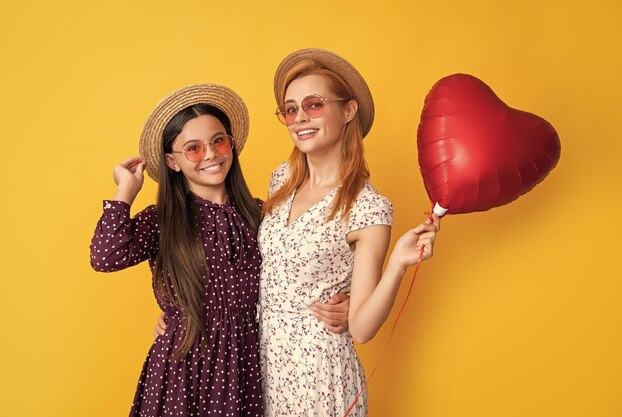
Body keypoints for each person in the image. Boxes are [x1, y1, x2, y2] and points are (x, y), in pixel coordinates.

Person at [256, 48, 440, 416]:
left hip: (319, 377)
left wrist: (397, 264)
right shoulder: (281, 182)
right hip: (262, 364)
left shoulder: (367, 207)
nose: (299, 118)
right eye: (291, 109)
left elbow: (361, 327)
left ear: (348, 111)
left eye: (314, 105)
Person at [90, 84, 266, 416]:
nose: (211, 154)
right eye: (194, 149)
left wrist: (345, 305)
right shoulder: (163, 220)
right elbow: (105, 255)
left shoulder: (260, 216)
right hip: (183, 371)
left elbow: (300, 272)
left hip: (245, 367)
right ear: (172, 162)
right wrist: (125, 191)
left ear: (231, 144)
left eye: (218, 141)